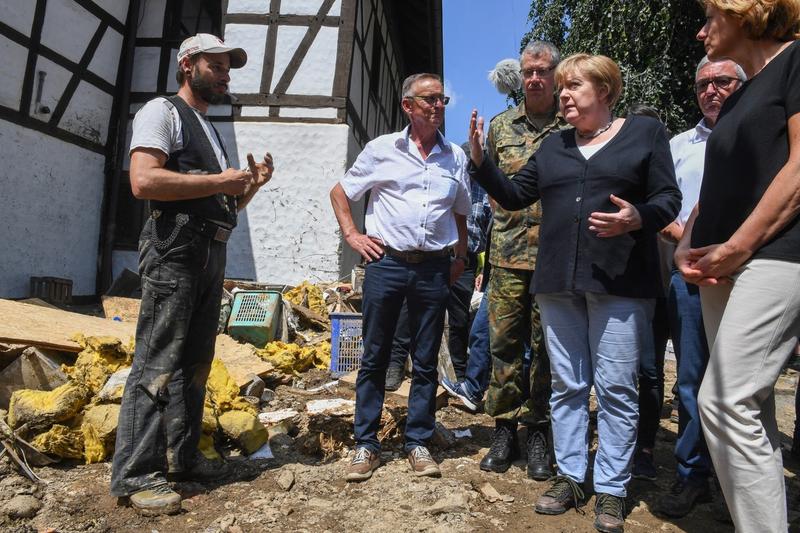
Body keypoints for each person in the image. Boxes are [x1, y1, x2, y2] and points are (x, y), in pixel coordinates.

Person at [468, 54, 680, 533]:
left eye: (574, 86)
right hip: (557, 281)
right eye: (561, 87)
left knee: (617, 389)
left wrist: (637, 218)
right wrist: (480, 163)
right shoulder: (555, 147)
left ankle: (611, 488)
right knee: (567, 385)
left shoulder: (644, 135)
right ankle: (571, 475)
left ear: (604, 90)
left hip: (619, 281)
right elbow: (516, 194)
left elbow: (668, 200)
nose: (562, 94)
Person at [110, 34, 274, 515]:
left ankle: (179, 459)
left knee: (194, 364)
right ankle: (136, 475)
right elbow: (143, 180)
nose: (225, 74)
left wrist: (248, 189)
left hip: (208, 248)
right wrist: (218, 180)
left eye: (228, 67)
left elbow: (220, 201)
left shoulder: (206, 125)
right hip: (175, 248)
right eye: (217, 65)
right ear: (188, 65)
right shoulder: (161, 112)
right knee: (157, 363)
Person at [675, 1, 800, 530]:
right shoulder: (743, 93)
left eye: (709, 17)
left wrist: (739, 246)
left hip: (772, 257)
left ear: (745, 12)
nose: (702, 30)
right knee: (751, 411)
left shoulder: (795, 62)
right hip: (718, 266)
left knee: (723, 402)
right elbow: (715, 186)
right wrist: (688, 243)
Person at [330, 73, 471, 482]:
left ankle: (417, 442)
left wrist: (460, 254)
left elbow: (460, 210)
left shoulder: (455, 157)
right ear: (408, 105)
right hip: (386, 264)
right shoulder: (382, 150)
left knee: (426, 359)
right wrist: (353, 236)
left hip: (432, 267)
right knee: (374, 355)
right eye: (429, 99)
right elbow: (341, 193)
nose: (438, 105)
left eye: (442, 99)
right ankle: (366, 444)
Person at [654, 56, 745, 518]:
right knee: (691, 380)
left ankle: (739, 485)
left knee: (742, 386)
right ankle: (693, 478)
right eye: (703, 84)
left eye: (722, 81)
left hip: (747, 275)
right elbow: (662, 203)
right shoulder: (678, 146)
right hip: (688, 276)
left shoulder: (763, 137)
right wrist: (681, 241)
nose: (711, 90)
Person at [475, 40, 567, 481]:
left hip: (556, 258)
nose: (534, 78)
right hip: (509, 256)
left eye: (543, 71)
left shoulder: (572, 126)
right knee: (505, 346)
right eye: (529, 71)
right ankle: (504, 429)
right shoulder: (500, 127)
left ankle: (538, 433)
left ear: (555, 74)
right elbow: (489, 181)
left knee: (548, 351)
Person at [386, 145, 492, 392]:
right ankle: (396, 363)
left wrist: (479, 269)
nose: (470, 169)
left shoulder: (485, 191)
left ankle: (461, 372)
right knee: (409, 311)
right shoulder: (444, 182)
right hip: (434, 257)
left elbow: (491, 232)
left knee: (459, 320)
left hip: (466, 260)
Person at [624, 103, 672, 482]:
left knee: (654, 373)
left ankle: (646, 449)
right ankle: (629, 450)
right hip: (637, 283)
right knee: (635, 371)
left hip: (673, 281)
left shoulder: (669, 169)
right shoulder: (625, 172)